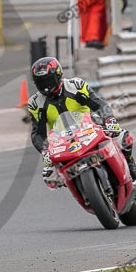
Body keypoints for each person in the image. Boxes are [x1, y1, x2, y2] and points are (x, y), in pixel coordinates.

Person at [28, 56, 136, 188]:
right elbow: (37, 133)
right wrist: (45, 151)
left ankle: (132, 170)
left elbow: (100, 104)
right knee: (50, 177)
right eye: (41, 82)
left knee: (123, 137)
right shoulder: (35, 103)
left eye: (48, 80)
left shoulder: (75, 86)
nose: (46, 86)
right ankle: (83, 191)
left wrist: (109, 120)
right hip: (62, 142)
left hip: (90, 128)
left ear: (58, 75)